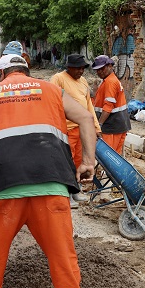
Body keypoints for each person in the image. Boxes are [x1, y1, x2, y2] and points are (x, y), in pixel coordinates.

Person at [0, 54, 97, 288]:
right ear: (27, 72)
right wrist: (87, 162)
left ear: (2, 75)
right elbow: (87, 118)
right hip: (50, 184)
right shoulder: (52, 89)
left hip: (3, 188)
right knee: (61, 250)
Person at [50, 54, 101, 206]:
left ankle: (76, 190)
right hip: (65, 129)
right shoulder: (58, 79)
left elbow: (89, 106)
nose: (81, 71)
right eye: (78, 68)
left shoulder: (83, 81)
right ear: (69, 67)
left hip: (82, 129)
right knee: (66, 161)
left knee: (80, 161)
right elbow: (53, 102)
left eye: (82, 68)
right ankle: (66, 193)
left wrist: (96, 127)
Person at [92, 55, 131, 155]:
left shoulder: (110, 82)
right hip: (118, 124)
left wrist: (99, 125)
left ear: (110, 66)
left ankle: (106, 171)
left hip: (112, 125)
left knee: (108, 155)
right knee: (115, 156)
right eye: (97, 70)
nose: (99, 72)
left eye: (102, 69)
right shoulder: (110, 80)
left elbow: (108, 107)